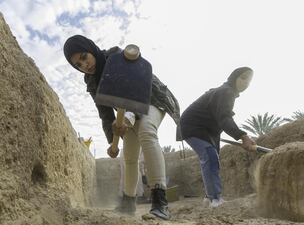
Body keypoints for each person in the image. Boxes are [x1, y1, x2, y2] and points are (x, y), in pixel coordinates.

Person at [63, 35, 180, 220]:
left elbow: (139, 90)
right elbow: (105, 112)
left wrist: (128, 118)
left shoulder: (117, 58)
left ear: (91, 49)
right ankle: (128, 203)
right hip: (127, 114)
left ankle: (160, 201)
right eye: (78, 64)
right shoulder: (92, 82)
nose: (84, 65)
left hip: (153, 99)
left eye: (84, 57)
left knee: (147, 132)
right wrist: (112, 141)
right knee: (129, 154)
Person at [180, 67, 256, 208]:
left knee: (212, 158)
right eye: (244, 78)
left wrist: (216, 147)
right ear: (234, 77)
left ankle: (209, 198)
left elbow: (218, 124)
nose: (246, 83)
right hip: (193, 126)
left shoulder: (225, 92)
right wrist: (242, 136)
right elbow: (224, 118)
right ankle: (215, 199)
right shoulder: (226, 92)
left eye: (249, 81)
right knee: (209, 157)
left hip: (207, 130)